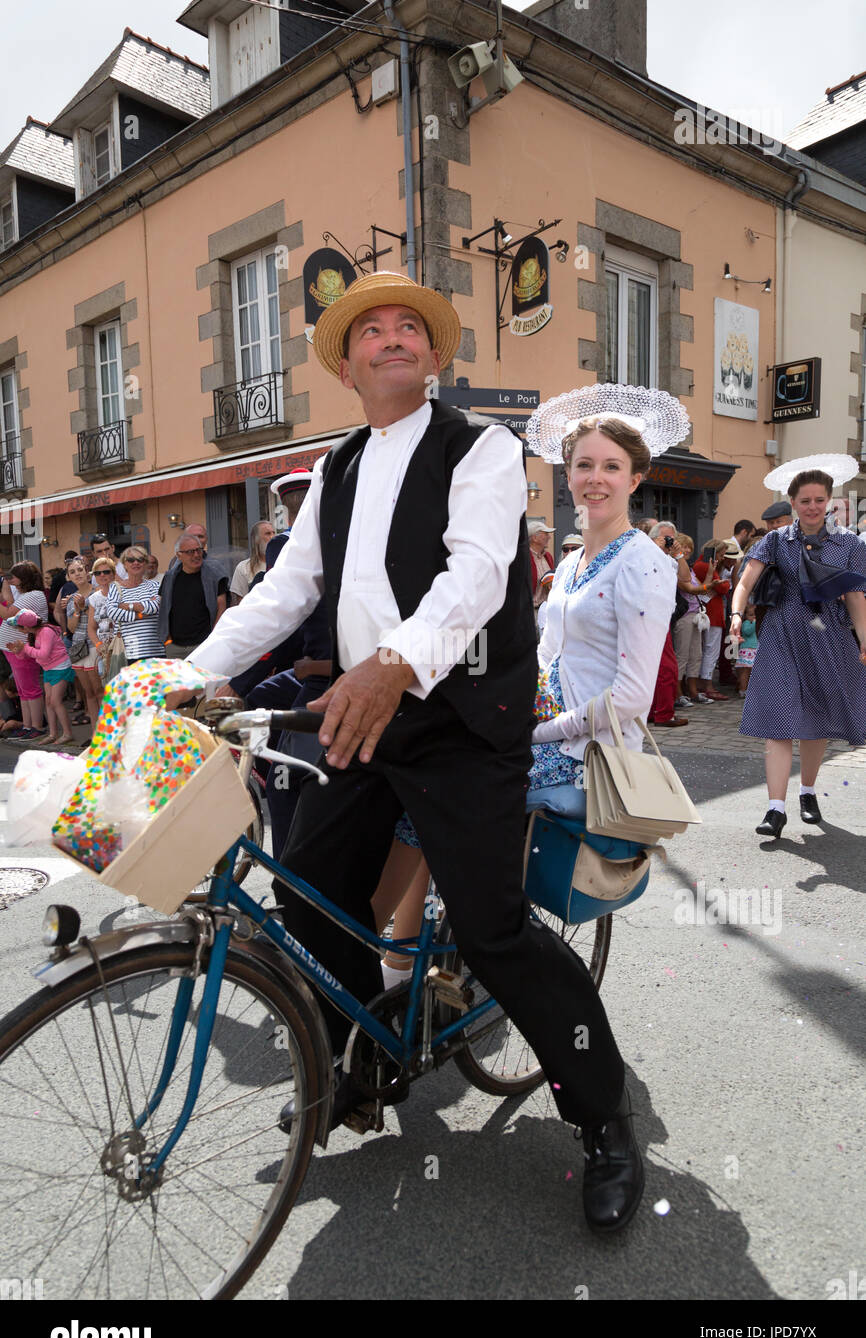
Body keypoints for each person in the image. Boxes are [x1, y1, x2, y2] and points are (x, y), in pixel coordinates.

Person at [187, 270, 644, 1233]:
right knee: (305, 898)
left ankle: (605, 1117)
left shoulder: (479, 448)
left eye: (410, 329)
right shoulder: (338, 465)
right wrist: (187, 676)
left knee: (491, 930)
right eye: (371, 331)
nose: (392, 340)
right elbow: (283, 591)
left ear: (433, 357)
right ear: (346, 362)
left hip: (463, 720)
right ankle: (369, 1054)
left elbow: (478, 574)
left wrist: (393, 663)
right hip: (366, 711)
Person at [526, 383, 685, 1231]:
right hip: (546, 736)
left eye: (609, 467)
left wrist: (538, 732)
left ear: (635, 477)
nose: (592, 478)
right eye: (582, 464)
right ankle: (412, 970)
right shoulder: (572, 563)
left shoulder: (644, 564)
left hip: (587, 757)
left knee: (454, 811)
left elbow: (629, 698)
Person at [730, 460, 866, 836]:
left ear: (829, 501)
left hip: (829, 634)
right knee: (778, 719)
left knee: (816, 721)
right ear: (792, 502)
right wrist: (737, 614)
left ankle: (807, 792)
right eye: (804, 500)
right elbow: (746, 581)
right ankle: (775, 808)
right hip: (782, 632)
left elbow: (855, 597)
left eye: (819, 499)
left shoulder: (850, 544)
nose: (812, 506)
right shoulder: (774, 540)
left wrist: (865, 638)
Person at [5, 610, 75, 746]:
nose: (18, 630)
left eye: (19, 627)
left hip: (60, 667)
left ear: (26, 627)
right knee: (48, 701)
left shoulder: (46, 632)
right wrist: (18, 651)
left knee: (55, 701)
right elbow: (31, 654)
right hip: (49, 668)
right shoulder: (34, 634)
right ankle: (53, 734)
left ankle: (67, 733)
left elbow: (43, 653)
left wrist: (24, 648)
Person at [158, 533, 228, 659]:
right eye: (190, 552)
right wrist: (168, 641)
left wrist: (213, 638)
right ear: (178, 555)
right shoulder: (169, 578)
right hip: (175, 648)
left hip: (204, 645)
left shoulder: (214, 575)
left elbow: (221, 607)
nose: (196, 555)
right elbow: (163, 606)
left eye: (198, 550)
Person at [0, 561, 49, 741]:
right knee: (23, 690)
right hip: (14, 648)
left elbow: (7, 614)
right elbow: (10, 606)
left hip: (22, 648)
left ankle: (36, 726)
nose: (11, 580)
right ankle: (28, 725)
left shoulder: (34, 595)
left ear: (24, 578)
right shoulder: (26, 595)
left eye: (13, 577)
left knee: (30, 689)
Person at [647, 522, 687, 727]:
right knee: (666, 669)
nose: (669, 541)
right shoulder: (646, 555)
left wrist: (678, 554)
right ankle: (663, 713)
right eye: (665, 537)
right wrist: (656, 547)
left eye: (672, 537)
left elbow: (686, 578)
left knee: (659, 668)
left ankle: (655, 712)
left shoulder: (669, 560)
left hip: (663, 617)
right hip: (651, 618)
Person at [671, 533, 711, 706]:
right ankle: (678, 693)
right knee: (682, 655)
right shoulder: (674, 566)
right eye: (684, 546)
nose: (687, 550)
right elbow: (691, 589)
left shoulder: (689, 568)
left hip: (696, 615)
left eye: (689, 547)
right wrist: (710, 585)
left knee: (696, 655)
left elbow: (702, 590)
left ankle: (693, 691)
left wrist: (710, 573)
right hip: (684, 616)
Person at [63, 556, 102, 728]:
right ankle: (95, 734)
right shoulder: (71, 599)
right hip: (78, 647)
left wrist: (84, 606)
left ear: (87, 572)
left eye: (80, 570)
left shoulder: (98, 592)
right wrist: (78, 609)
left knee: (99, 691)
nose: (77, 574)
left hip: (94, 645)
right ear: (68, 577)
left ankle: (108, 734)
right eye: (72, 572)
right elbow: (71, 628)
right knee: (89, 694)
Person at [105, 546, 163, 661]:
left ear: (145, 564)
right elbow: (111, 612)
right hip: (129, 651)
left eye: (140, 559)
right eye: (131, 560)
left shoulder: (155, 585)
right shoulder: (116, 588)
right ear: (124, 564)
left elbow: (154, 607)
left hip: (156, 649)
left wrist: (127, 606)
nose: (135, 563)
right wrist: (138, 615)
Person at [693, 540, 732, 701]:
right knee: (711, 650)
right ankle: (706, 684)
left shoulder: (699, 564)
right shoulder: (704, 566)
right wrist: (725, 584)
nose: (723, 557)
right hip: (712, 613)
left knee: (706, 649)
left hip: (710, 611)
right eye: (722, 554)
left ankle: (703, 682)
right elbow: (723, 587)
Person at [86, 556, 118, 686]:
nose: (102, 575)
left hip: (121, 647)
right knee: (108, 688)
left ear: (114, 573)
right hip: (104, 651)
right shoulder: (94, 598)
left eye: (106, 571)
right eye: (98, 573)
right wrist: (98, 645)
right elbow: (91, 627)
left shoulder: (122, 593)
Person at [230, 520, 276, 601]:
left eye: (273, 533)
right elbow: (241, 604)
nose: (273, 537)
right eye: (268, 534)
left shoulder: (282, 564)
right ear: (256, 539)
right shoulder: (243, 568)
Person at [528, 521, 555, 609]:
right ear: (535, 538)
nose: (549, 537)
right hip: (531, 611)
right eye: (546, 534)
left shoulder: (548, 557)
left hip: (546, 610)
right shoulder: (524, 558)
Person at [735, 602, 758, 695]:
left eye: (755, 615)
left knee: (749, 672)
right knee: (745, 672)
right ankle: (743, 689)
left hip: (752, 650)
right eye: (751, 615)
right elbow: (747, 631)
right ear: (745, 616)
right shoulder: (746, 623)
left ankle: (745, 688)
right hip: (747, 649)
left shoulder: (751, 622)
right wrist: (754, 623)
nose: (753, 617)